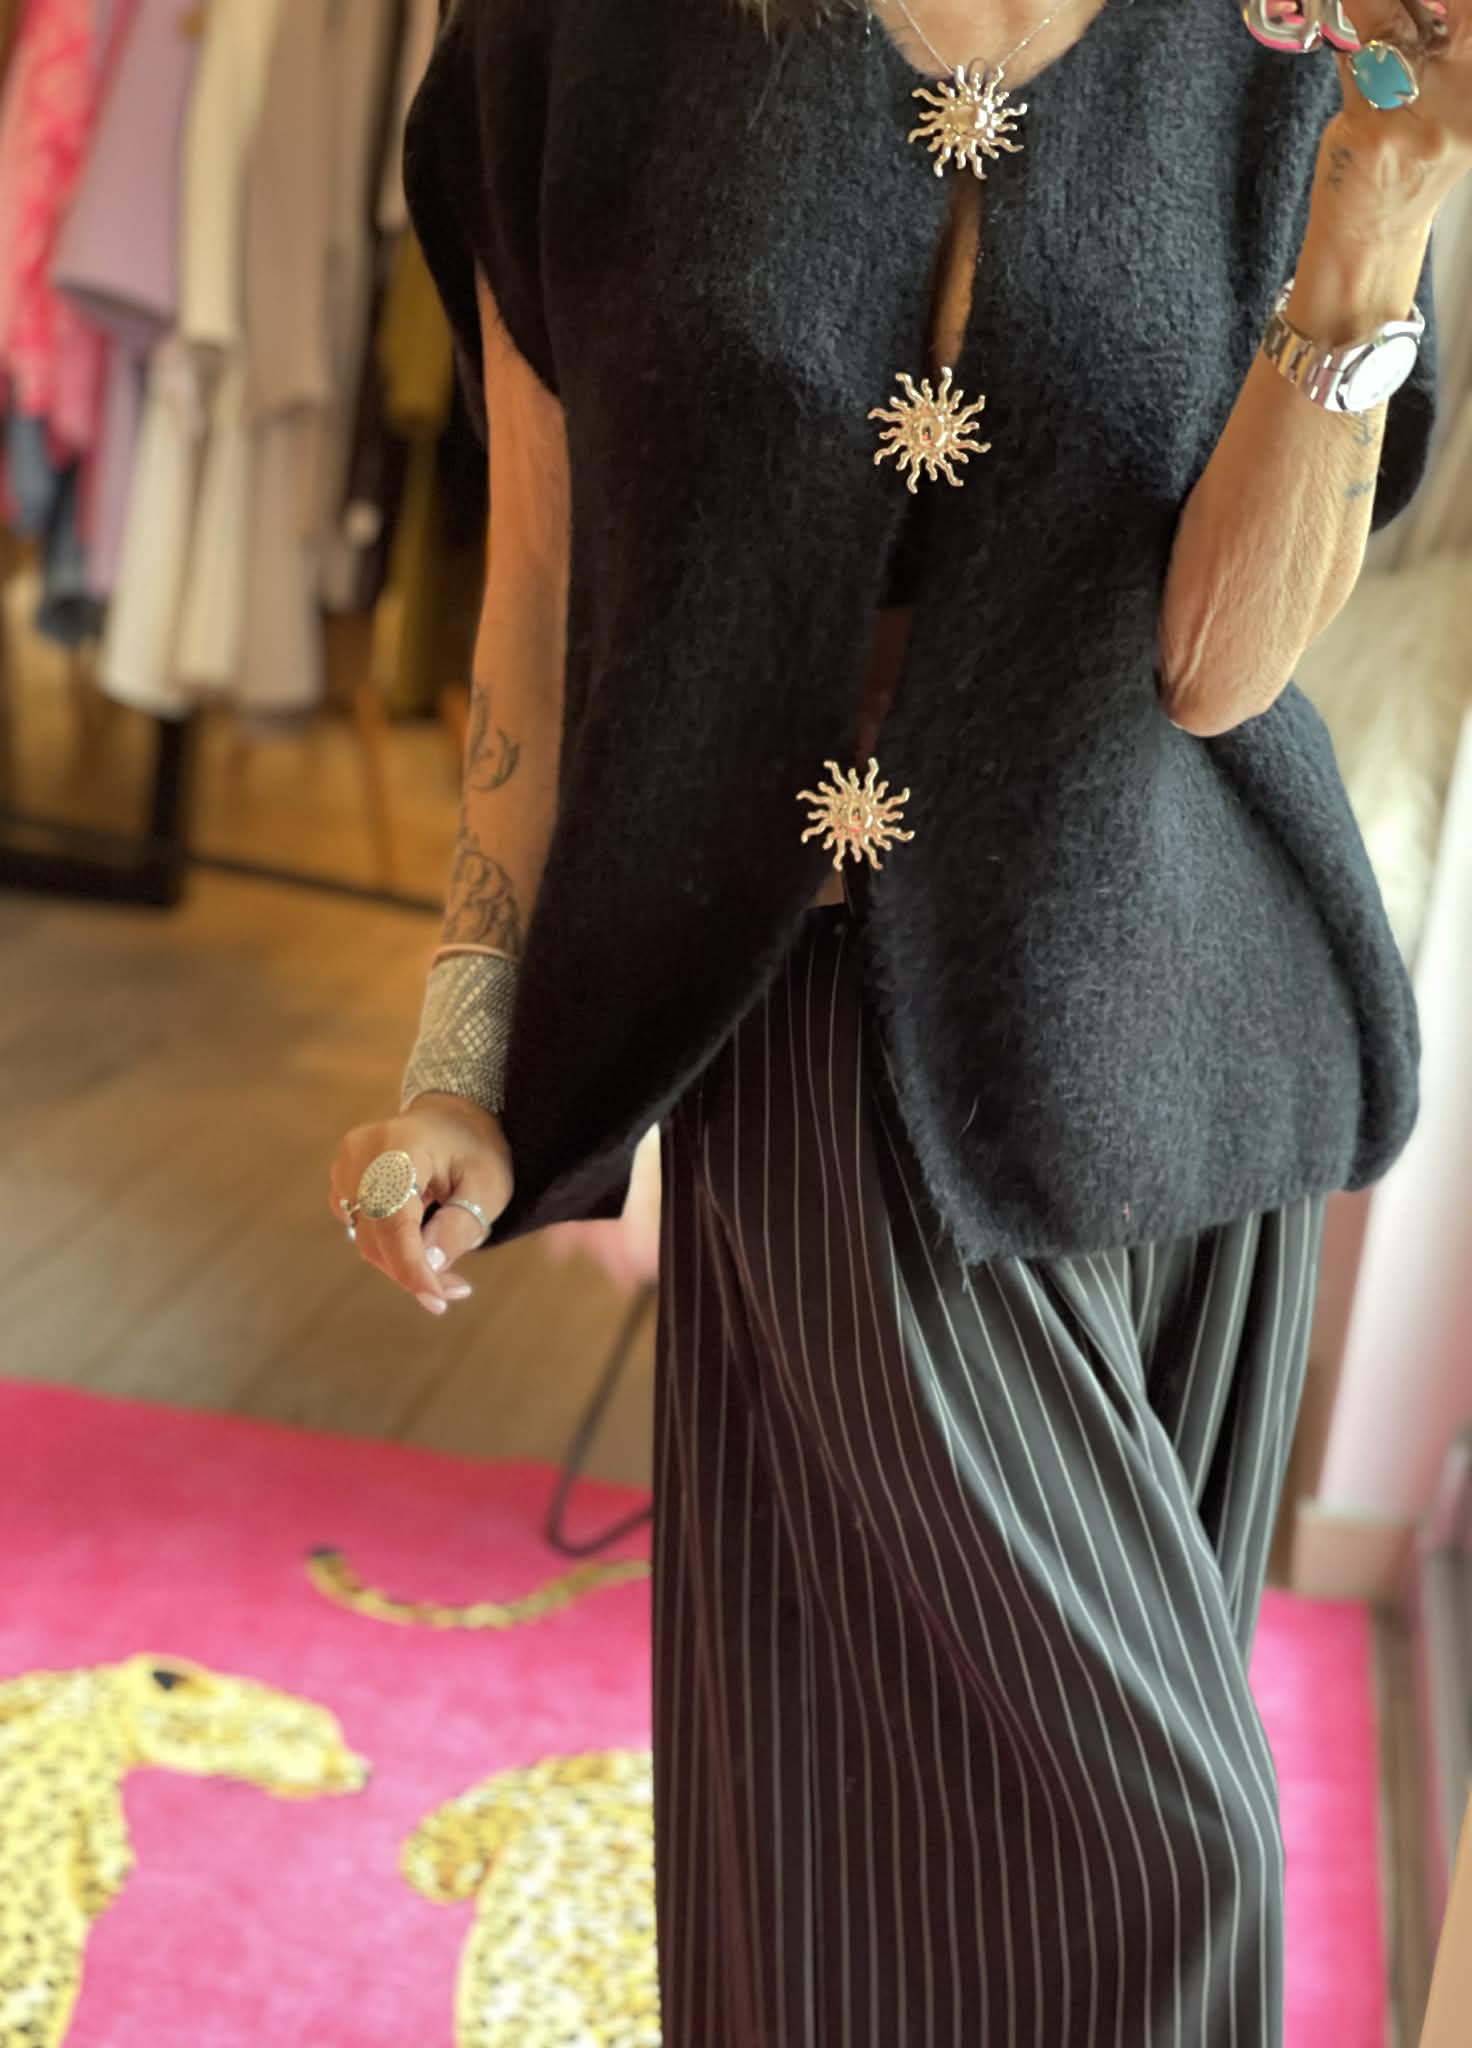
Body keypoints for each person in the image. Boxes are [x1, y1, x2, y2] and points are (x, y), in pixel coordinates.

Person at [329, 0, 1471, 2038]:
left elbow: (1219, 667)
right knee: (1114, 1867)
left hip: (1199, 1057)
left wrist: (1378, 211)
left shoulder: (1306, 45)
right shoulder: (564, 42)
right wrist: (463, 1056)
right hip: (826, 1044)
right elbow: (542, 592)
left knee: (957, 1895)